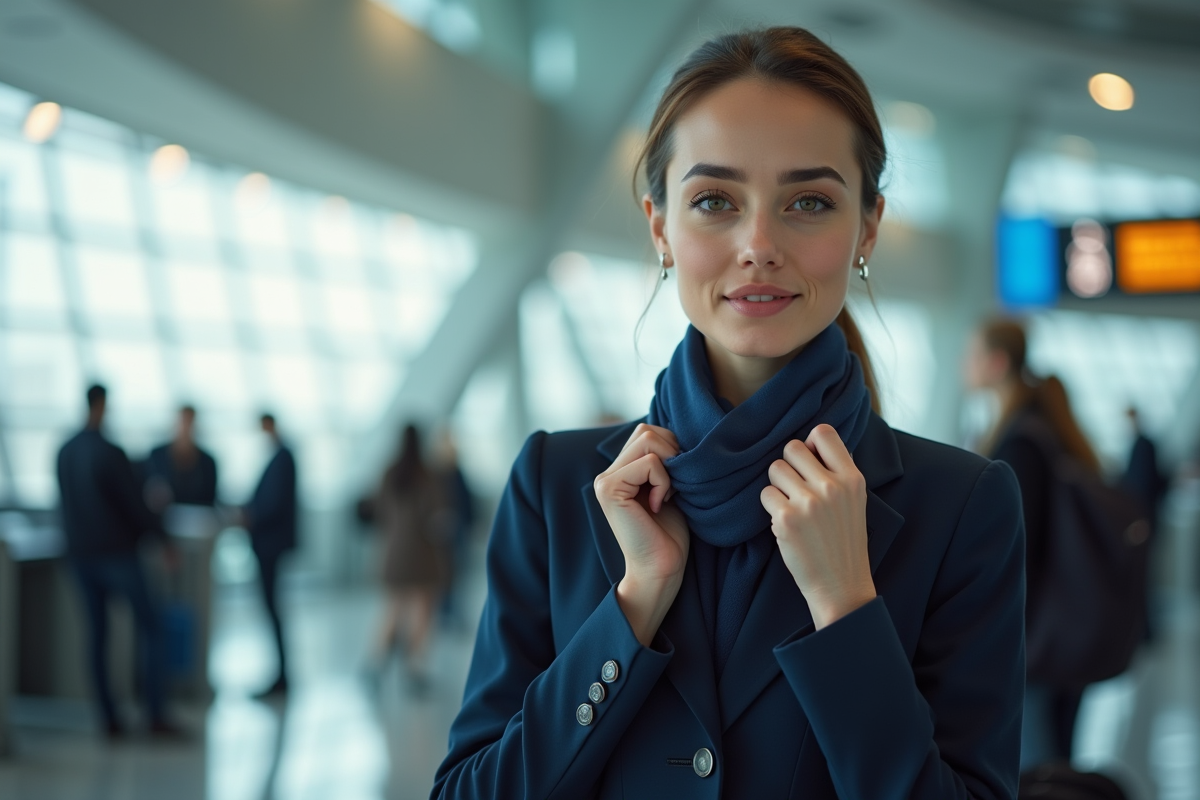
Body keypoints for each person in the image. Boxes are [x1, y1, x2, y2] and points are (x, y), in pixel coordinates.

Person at [434, 27, 1025, 800]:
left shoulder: (961, 506)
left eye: (808, 202)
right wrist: (635, 600)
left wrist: (846, 610)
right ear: (659, 227)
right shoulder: (556, 484)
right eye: (714, 201)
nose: (758, 244)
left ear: (867, 227)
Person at [964, 318, 1099, 769]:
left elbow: (1023, 546)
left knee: (1037, 761)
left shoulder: (1020, 442)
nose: (966, 364)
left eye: (973, 353)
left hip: (1036, 631)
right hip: (1060, 622)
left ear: (997, 362)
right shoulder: (1038, 427)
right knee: (1054, 751)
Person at [56, 384, 177, 737]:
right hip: (117, 556)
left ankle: (108, 717)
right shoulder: (110, 453)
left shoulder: (64, 451)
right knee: (152, 627)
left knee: (97, 635)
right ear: (103, 405)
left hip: (80, 556)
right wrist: (162, 539)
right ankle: (155, 713)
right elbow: (134, 505)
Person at [367, 425, 451, 694]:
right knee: (422, 609)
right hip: (422, 551)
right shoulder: (427, 474)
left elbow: (378, 510)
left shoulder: (389, 472)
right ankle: (414, 667)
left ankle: (376, 662)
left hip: (393, 551)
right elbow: (436, 517)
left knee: (394, 607)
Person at [242, 413, 297, 697]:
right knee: (271, 608)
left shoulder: (282, 457)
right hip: (269, 543)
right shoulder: (279, 456)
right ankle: (280, 673)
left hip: (270, 544)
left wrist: (248, 516)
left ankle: (282, 675)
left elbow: (272, 504)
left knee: (273, 608)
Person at [144, 405, 219, 509]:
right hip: (163, 516)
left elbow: (210, 500)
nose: (185, 428)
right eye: (183, 422)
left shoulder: (208, 462)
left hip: (197, 518)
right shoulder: (157, 455)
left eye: (189, 423)